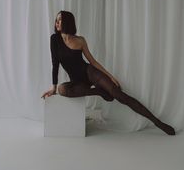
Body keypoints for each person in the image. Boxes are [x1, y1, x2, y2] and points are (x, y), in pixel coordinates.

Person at [41, 10, 176, 136]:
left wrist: (111, 77)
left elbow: (93, 61)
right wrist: (53, 87)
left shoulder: (80, 40)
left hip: (89, 72)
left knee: (120, 95)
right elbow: (55, 64)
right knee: (62, 89)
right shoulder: (54, 39)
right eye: (56, 20)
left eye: (60, 20)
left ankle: (158, 122)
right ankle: (98, 92)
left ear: (68, 22)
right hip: (77, 81)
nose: (57, 22)